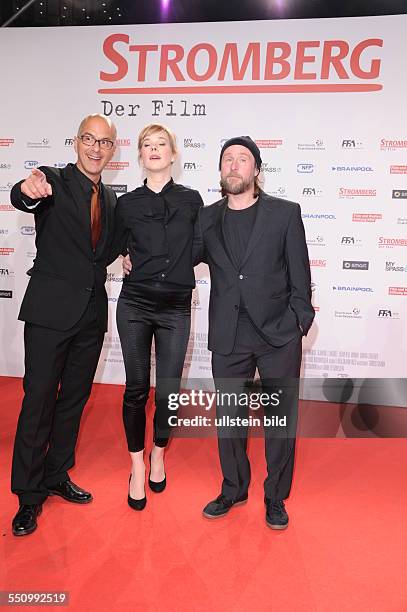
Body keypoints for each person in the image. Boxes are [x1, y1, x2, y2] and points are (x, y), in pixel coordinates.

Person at [193, 136, 315, 529]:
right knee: (230, 419)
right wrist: (133, 255)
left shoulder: (284, 214)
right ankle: (233, 488)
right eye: (227, 159)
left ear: (257, 171)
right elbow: (179, 258)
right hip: (229, 334)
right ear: (220, 171)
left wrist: (299, 321)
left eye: (242, 159)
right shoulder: (207, 218)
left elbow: (301, 274)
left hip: (278, 331)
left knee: (280, 420)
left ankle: (276, 496)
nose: (234, 164)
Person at [10, 114, 117, 536]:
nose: (96, 148)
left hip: (91, 318)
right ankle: (28, 496)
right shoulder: (52, 179)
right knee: (37, 403)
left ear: (113, 149)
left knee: (73, 401)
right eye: (89, 139)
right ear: (76, 142)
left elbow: (114, 246)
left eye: (104, 143)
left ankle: (57, 474)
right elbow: (25, 196)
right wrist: (27, 190)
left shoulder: (110, 200)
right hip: (50, 314)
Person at [111, 123, 203, 511]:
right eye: (146, 145)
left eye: (160, 144)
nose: (153, 150)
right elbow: (112, 244)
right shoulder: (127, 203)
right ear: (140, 155)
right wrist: (122, 256)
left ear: (174, 153)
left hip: (175, 306)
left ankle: (159, 452)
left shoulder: (192, 199)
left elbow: (201, 246)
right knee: (135, 389)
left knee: (167, 390)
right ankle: (136, 464)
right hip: (134, 304)